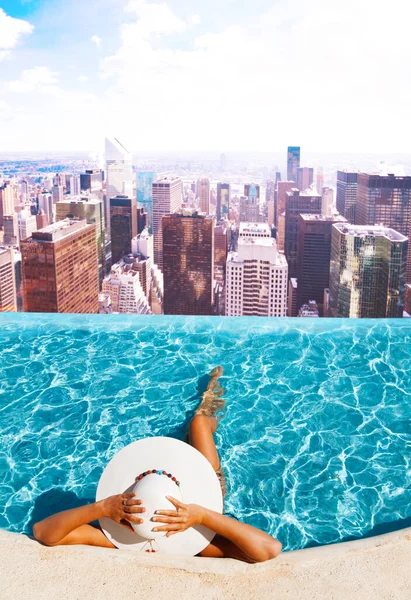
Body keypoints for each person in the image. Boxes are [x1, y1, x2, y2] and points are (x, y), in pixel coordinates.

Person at [33, 367, 282, 563]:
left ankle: (211, 394)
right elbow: (269, 549)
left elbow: (44, 532)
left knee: (196, 423)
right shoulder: (202, 545)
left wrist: (103, 509)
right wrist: (203, 515)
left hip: (170, 485)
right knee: (197, 424)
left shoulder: (118, 539)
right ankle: (206, 405)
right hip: (200, 496)